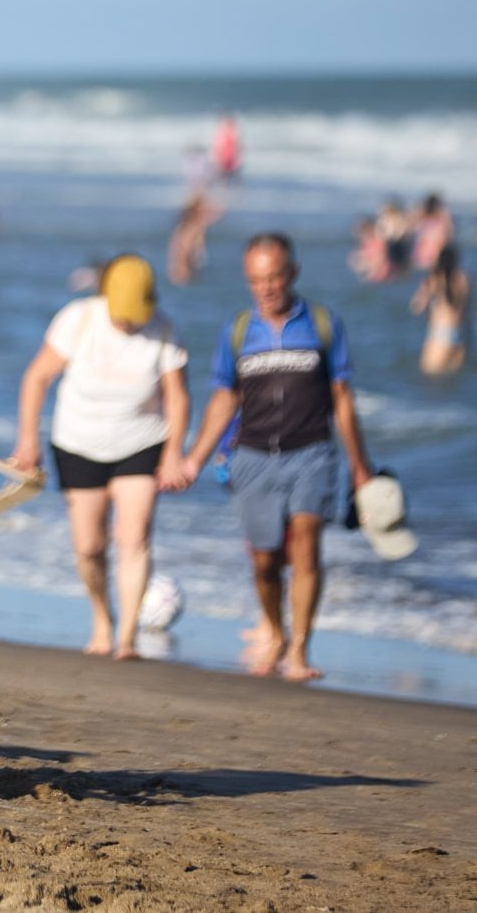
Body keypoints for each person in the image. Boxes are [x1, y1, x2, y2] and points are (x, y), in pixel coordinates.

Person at [165, 233, 377, 683]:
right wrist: (193, 458)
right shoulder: (239, 331)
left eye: (274, 277)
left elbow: (341, 398)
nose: (266, 288)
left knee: (306, 545)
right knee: (264, 561)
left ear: (292, 274)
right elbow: (224, 400)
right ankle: (275, 631)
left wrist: (360, 466)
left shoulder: (322, 324)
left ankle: (299, 648)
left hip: (312, 453)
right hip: (253, 457)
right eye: (256, 280)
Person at [9, 256, 188, 659]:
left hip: (141, 441)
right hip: (78, 441)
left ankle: (126, 638)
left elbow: (177, 396)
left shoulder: (163, 329)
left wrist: (174, 453)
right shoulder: (78, 319)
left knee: (134, 537)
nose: (128, 323)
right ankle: (102, 619)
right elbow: (37, 378)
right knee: (89, 546)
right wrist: (27, 441)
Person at [410, 244, 471, 376]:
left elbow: (416, 307)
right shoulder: (463, 279)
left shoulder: (433, 279)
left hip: (439, 334)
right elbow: (467, 311)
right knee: (453, 386)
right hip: (460, 335)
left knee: (432, 382)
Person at [167, 191, 221, 286]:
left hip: (183, 272)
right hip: (185, 272)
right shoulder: (192, 229)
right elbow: (183, 253)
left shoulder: (184, 227)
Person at [411, 193, 453, 271]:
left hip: (423, 249)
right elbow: (449, 234)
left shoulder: (422, 216)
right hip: (434, 249)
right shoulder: (442, 217)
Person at [347, 216, 390, 283]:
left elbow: (382, 259)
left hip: (382, 272)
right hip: (374, 271)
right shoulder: (366, 243)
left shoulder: (379, 242)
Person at [211, 112, 242, 181]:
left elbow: (237, 146)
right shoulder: (223, 130)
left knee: (229, 176)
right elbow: (217, 147)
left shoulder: (232, 130)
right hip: (225, 157)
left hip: (229, 157)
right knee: (224, 177)